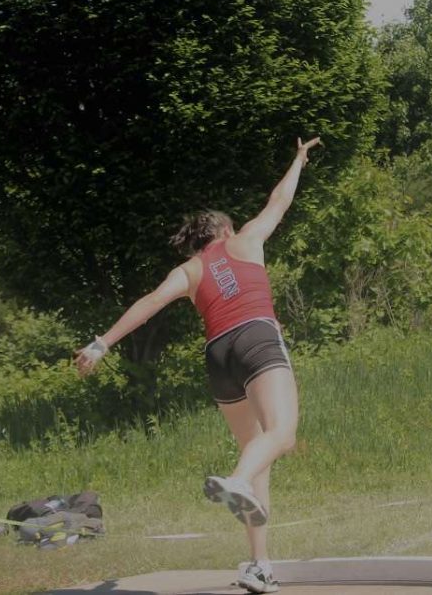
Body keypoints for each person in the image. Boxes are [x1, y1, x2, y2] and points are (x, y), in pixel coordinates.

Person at [76, 137, 321, 595]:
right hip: (255, 336)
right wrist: (298, 161)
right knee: (281, 435)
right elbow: (279, 201)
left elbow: (148, 303)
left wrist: (101, 344)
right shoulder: (246, 240)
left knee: (258, 448)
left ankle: (259, 564)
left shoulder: (189, 271)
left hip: (218, 356)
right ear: (225, 231)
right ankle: (235, 480)